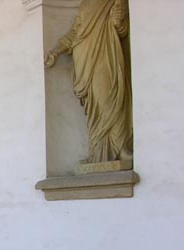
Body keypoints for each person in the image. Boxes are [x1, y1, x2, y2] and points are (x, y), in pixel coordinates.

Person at [44, 0, 133, 164]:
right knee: (96, 107)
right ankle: (98, 152)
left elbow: (123, 29)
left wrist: (119, 21)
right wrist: (56, 52)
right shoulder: (85, 4)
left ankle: (120, 147)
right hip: (85, 60)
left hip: (105, 55)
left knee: (111, 98)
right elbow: (75, 32)